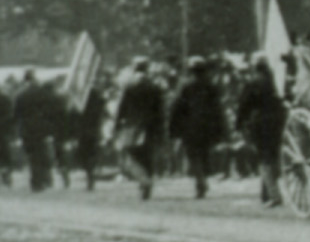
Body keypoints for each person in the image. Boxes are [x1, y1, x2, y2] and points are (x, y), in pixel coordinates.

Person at [168, 57, 229, 199]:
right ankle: (202, 180)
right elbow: (218, 108)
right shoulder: (211, 86)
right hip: (208, 125)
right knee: (202, 154)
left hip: (190, 126)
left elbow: (177, 107)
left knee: (193, 155)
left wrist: (174, 127)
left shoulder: (185, 85)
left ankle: (200, 182)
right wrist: (220, 127)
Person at [234, 54, 287, 206]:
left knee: (264, 158)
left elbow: (244, 105)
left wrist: (238, 124)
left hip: (260, 123)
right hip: (277, 121)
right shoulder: (273, 82)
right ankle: (265, 194)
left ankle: (274, 195)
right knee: (272, 156)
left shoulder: (252, 83)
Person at [115, 58, 167, 200]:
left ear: (134, 68)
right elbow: (160, 110)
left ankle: (144, 181)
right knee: (147, 157)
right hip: (151, 126)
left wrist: (116, 125)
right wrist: (162, 128)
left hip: (133, 126)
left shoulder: (129, 86)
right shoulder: (154, 87)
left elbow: (121, 108)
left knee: (129, 156)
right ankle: (145, 186)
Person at [12, 70, 57, 192]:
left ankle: (36, 182)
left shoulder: (20, 96)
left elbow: (16, 115)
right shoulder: (43, 93)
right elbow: (52, 110)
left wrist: (16, 130)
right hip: (42, 129)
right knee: (42, 153)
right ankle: (44, 179)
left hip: (27, 129)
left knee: (32, 156)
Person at [72, 73, 108, 191]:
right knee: (93, 152)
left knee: (85, 154)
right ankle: (91, 173)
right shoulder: (99, 98)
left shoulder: (81, 99)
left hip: (83, 131)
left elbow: (75, 114)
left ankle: (89, 174)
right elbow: (105, 113)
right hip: (94, 130)